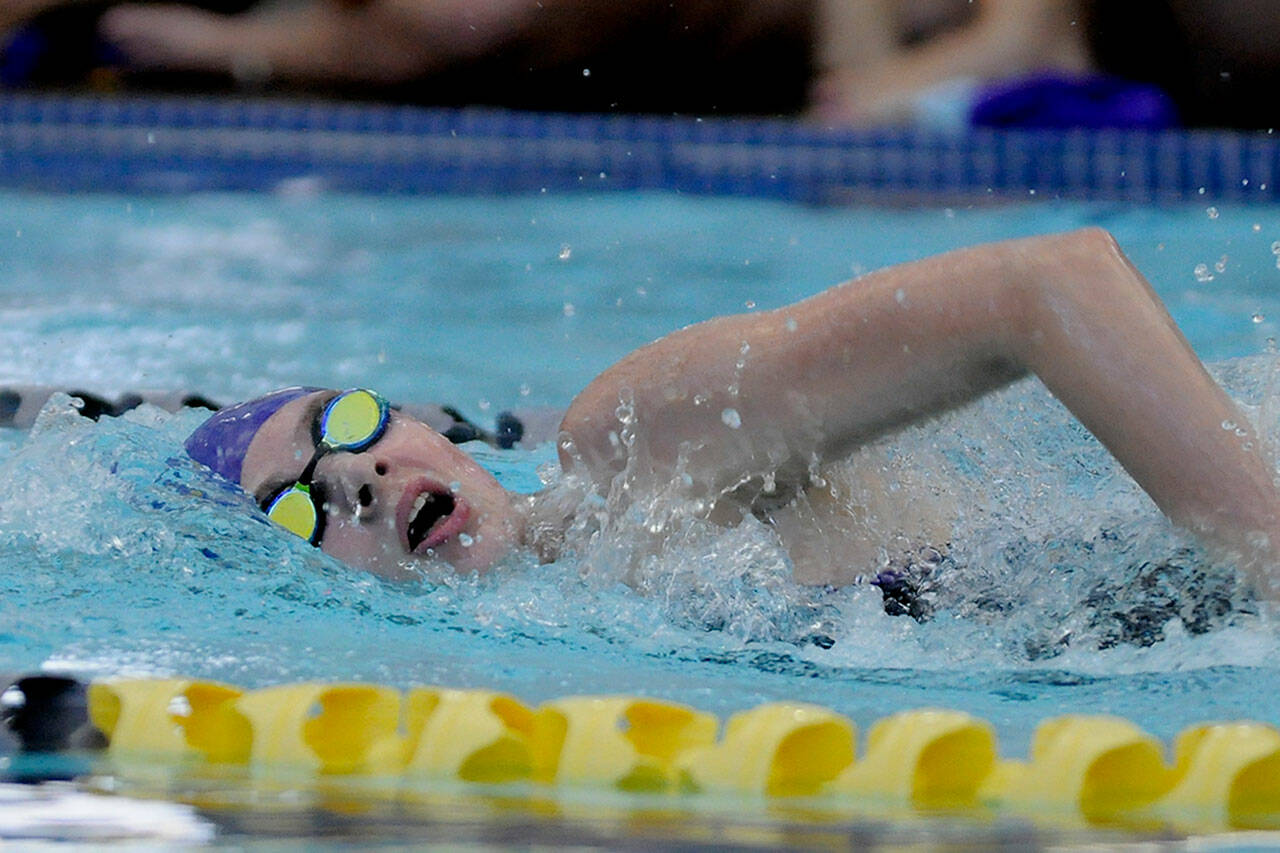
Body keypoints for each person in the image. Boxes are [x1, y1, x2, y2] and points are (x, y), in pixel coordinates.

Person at [185, 228, 1280, 595]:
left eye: (347, 422)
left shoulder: (629, 447)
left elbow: (1049, 285)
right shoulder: (586, 608)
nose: (353, 475)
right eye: (295, 507)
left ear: (431, 431)